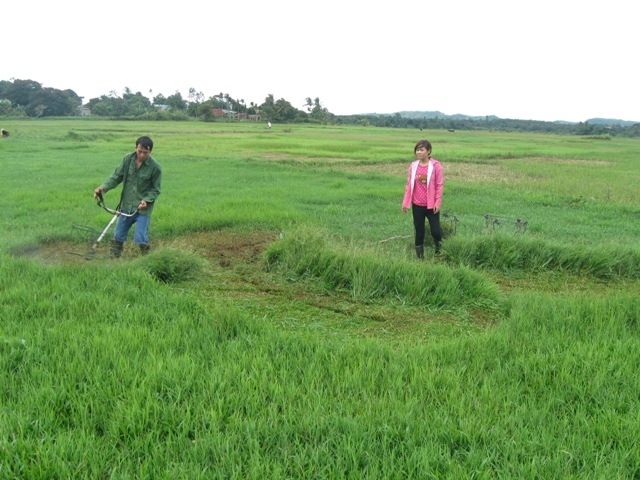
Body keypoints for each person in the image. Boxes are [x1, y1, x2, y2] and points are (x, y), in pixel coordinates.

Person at [93, 136, 162, 258]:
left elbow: (155, 190)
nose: (141, 155)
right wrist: (103, 188)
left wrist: (146, 200)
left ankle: (147, 261)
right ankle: (114, 260)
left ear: (150, 151)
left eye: (145, 153)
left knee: (141, 237)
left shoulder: (155, 167)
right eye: (139, 151)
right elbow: (116, 176)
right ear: (136, 148)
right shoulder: (127, 160)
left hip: (142, 209)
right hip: (126, 206)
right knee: (118, 236)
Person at [402, 139, 444, 258]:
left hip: (431, 206)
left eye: (421, 150)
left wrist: (437, 202)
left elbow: (439, 185)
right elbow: (409, 184)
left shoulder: (436, 166)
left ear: (429, 151)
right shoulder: (413, 165)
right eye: (417, 150)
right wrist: (405, 203)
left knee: (435, 231)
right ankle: (420, 258)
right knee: (419, 231)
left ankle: (439, 252)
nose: (418, 152)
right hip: (417, 205)